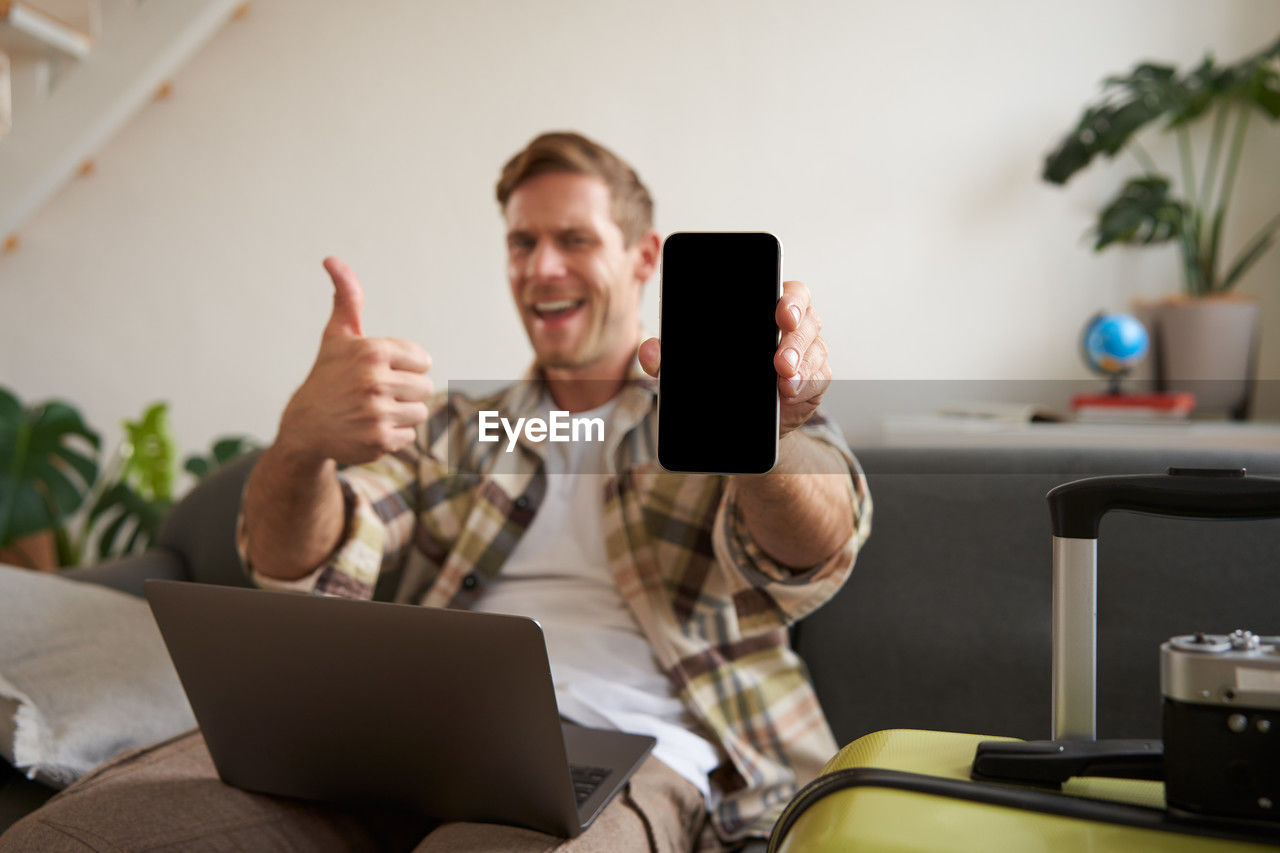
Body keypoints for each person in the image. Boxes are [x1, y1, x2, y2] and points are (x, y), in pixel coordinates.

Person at [1, 131, 870, 852]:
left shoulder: (735, 404)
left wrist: (773, 433)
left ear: (643, 256)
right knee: (79, 838)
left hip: (629, 746)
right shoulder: (463, 425)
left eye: (574, 239)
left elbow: (810, 551)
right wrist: (301, 446)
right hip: (401, 734)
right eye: (523, 243)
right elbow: (309, 567)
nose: (542, 267)